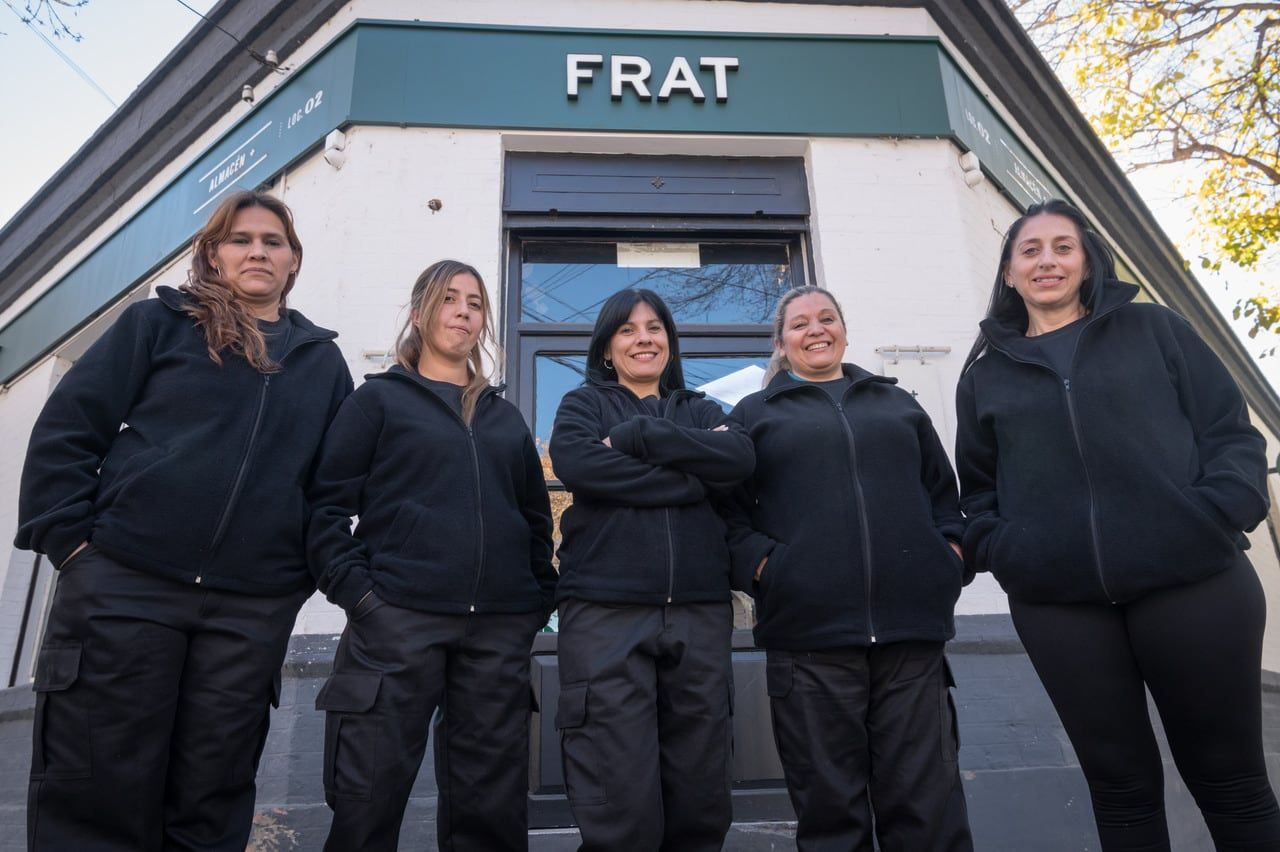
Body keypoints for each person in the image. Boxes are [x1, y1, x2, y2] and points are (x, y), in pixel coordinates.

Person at [15, 190, 353, 851]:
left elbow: (330, 491)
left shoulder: (322, 363)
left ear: (293, 262)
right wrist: (74, 546)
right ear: (212, 255)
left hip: (247, 612)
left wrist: (290, 585)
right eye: (241, 238)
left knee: (210, 800)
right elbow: (67, 428)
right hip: (123, 589)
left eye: (273, 241)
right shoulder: (157, 326)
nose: (258, 249)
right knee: (96, 791)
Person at [956, 198, 1280, 850]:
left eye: (1062, 246)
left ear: (1086, 261)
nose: (1047, 260)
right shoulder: (985, 377)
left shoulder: (1156, 330)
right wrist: (1012, 552)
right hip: (1062, 607)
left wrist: (1214, 514)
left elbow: (1230, 437)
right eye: (1030, 250)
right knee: (1121, 791)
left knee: (1232, 781)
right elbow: (980, 494)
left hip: (1194, 584)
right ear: (1011, 273)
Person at [307, 259, 556, 851]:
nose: (463, 311)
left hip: (496, 632)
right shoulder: (378, 403)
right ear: (420, 313)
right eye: (449, 298)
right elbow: (322, 511)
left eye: (474, 302)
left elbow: (534, 519)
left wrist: (531, 601)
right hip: (397, 625)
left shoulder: (504, 418)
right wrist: (364, 598)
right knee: (367, 802)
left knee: (491, 812)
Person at [723, 285, 973, 852]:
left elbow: (944, 499)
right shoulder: (753, 416)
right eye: (800, 323)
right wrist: (768, 568)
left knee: (929, 812)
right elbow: (729, 521)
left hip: (911, 640)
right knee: (832, 819)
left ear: (844, 329)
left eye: (827, 318)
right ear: (781, 343)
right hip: (809, 645)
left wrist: (948, 560)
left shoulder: (898, 403)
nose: (816, 330)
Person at [548, 287, 754, 851]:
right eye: (629, 330)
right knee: (618, 794)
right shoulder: (582, 406)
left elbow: (738, 460)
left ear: (670, 341)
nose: (644, 339)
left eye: (655, 328)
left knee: (701, 789)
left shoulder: (704, 409)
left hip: (696, 610)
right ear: (608, 348)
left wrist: (642, 439)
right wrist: (694, 474)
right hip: (605, 613)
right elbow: (583, 466)